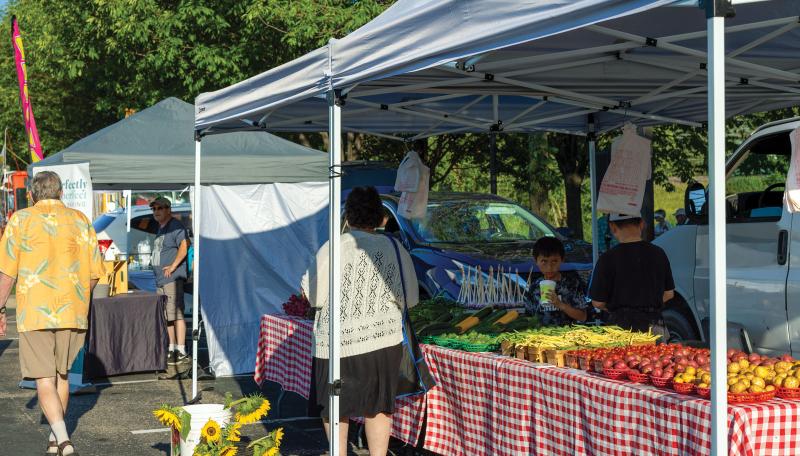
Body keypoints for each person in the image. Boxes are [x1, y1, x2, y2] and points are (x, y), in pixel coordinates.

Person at [304, 186, 417, 456]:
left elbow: (314, 296)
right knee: (378, 408)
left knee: (336, 407)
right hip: (382, 340)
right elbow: (411, 298)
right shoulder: (395, 247)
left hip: (336, 342)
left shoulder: (333, 247)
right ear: (380, 217)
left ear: (348, 215)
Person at [0, 171, 103, 456]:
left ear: (32, 194)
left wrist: (0, 308)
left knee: (43, 379)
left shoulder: (21, 220)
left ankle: (64, 440)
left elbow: (6, 273)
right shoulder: (80, 220)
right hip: (72, 311)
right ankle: (54, 438)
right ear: (61, 193)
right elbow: (95, 273)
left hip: (35, 311)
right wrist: (78, 296)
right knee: (62, 375)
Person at [589, 212, 675, 338]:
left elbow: (597, 302)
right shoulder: (659, 253)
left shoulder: (607, 258)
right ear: (642, 224)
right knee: (656, 352)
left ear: (612, 227)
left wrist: (620, 309)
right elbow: (669, 294)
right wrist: (647, 304)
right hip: (654, 326)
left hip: (620, 328)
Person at [150, 196, 190, 366]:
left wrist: (173, 266)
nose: (156, 211)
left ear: (168, 209)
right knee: (167, 316)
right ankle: (172, 348)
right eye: (154, 209)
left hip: (172, 279)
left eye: (160, 208)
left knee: (177, 314)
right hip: (161, 280)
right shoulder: (161, 228)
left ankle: (181, 350)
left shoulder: (175, 226)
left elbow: (185, 245)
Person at [525, 236, 589, 326]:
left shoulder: (572, 284)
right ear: (536, 261)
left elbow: (583, 316)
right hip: (540, 334)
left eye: (554, 261)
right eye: (544, 261)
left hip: (567, 333)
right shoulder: (534, 287)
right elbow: (528, 317)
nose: (549, 267)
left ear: (562, 260)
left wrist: (560, 305)